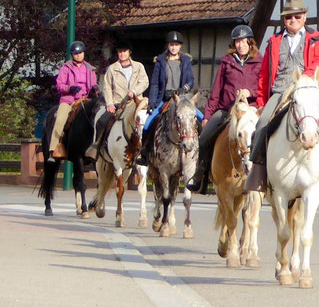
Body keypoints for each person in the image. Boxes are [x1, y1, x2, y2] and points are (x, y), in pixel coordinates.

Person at [245, 0, 319, 192]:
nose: (293, 19)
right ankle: (258, 170)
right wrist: (261, 101)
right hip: (280, 90)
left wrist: (305, 78)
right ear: (284, 19)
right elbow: (264, 74)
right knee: (262, 123)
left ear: (304, 17)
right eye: (288, 17)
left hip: (309, 88)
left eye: (297, 16)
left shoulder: (316, 38)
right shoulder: (273, 41)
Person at [186, 24, 262, 192]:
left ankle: (266, 176)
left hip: (250, 109)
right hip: (227, 108)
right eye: (237, 42)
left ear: (250, 43)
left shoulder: (259, 61)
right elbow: (216, 90)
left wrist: (251, 92)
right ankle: (200, 174)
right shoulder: (226, 62)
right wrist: (207, 116)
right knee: (204, 138)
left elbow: (264, 87)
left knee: (265, 134)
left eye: (243, 41)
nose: (240, 45)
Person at [139, 31, 200, 164]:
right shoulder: (160, 61)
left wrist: (183, 89)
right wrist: (152, 102)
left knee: (201, 118)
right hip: (165, 99)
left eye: (176, 45)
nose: (173, 47)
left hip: (182, 99)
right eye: (171, 45)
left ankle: (201, 153)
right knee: (148, 123)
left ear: (180, 47)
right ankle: (144, 152)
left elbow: (190, 80)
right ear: (167, 46)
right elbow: (155, 83)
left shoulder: (186, 61)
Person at [84, 40, 149, 162]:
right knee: (102, 121)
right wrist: (109, 103)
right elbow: (107, 86)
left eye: (124, 51)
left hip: (136, 104)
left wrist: (134, 91)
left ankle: (147, 151)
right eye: (120, 52)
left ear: (129, 52)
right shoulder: (112, 69)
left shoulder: (139, 66)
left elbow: (145, 82)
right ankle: (97, 146)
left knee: (147, 123)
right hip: (118, 103)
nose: (122, 54)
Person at [50, 41, 98, 159]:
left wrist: (95, 89)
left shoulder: (90, 68)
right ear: (72, 55)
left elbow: (94, 85)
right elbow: (59, 85)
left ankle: (96, 148)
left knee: (97, 117)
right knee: (60, 119)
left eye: (80, 53)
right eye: (76, 53)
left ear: (84, 53)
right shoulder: (66, 68)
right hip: (69, 100)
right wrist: (70, 88)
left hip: (84, 100)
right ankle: (53, 149)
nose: (78, 55)